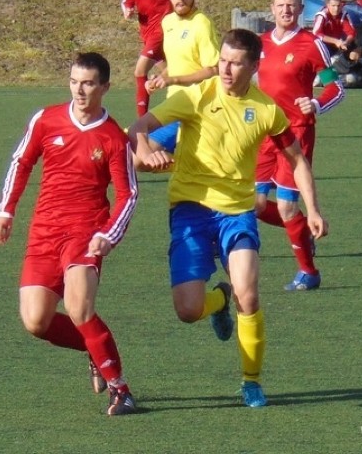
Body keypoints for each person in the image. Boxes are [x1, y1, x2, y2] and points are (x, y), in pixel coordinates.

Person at [127, 29, 329, 408]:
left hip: (237, 213)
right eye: (222, 60)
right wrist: (145, 151)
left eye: (236, 63)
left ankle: (251, 381)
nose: (226, 68)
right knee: (187, 311)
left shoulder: (267, 110)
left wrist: (313, 209)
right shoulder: (197, 96)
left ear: (254, 66)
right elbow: (138, 129)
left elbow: (297, 160)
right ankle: (218, 302)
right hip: (189, 210)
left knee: (249, 296)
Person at [0, 52, 139, 416]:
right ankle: (95, 349)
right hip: (44, 232)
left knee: (78, 308)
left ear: (105, 87)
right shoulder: (47, 119)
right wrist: (5, 210)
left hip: (85, 234)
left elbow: (128, 194)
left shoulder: (113, 138)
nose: (80, 90)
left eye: (88, 83)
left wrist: (109, 235)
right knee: (35, 322)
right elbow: (20, 162)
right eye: (74, 81)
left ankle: (121, 390)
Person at [257, 0, 345, 291]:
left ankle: (308, 272)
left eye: (292, 5)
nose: (286, 10)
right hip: (264, 133)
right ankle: (302, 230)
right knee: (252, 203)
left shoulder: (312, 44)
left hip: (296, 133)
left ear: (300, 10)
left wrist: (317, 102)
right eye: (280, 5)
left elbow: (336, 86)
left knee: (285, 207)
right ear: (272, 8)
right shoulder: (261, 44)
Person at [141, 0, 219, 162]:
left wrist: (174, 79)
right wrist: (162, 77)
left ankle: (189, 166)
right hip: (173, 103)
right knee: (137, 147)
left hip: (194, 105)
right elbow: (178, 63)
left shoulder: (202, 23)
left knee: (139, 156)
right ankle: (189, 165)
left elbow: (212, 69)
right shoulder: (168, 22)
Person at [121, 0, 172, 117]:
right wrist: (127, 11)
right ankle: (193, 90)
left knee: (140, 71)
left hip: (162, 30)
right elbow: (127, 2)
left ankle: (141, 121)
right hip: (146, 31)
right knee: (171, 70)